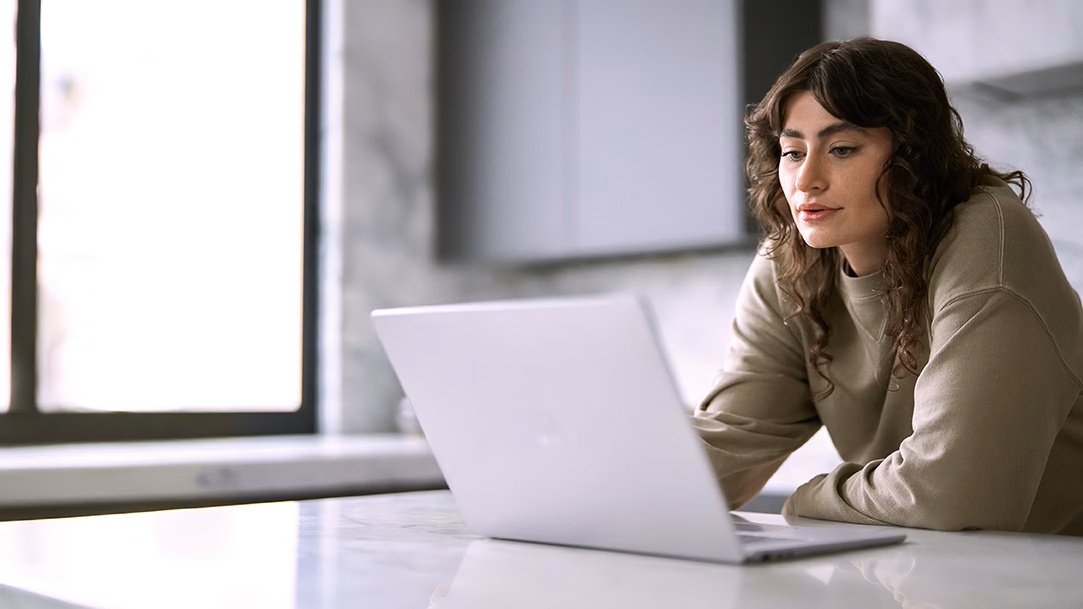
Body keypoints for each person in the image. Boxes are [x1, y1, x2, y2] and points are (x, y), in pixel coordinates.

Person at [693, 37, 1083, 535]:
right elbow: (731, 442)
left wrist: (808, 498)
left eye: (841, 149)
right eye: (792, 152)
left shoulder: (989, 241)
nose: (805, 180)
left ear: (912, 156)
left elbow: (951, 495)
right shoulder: (790, 262)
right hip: (920, 570)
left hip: (1050, 575)